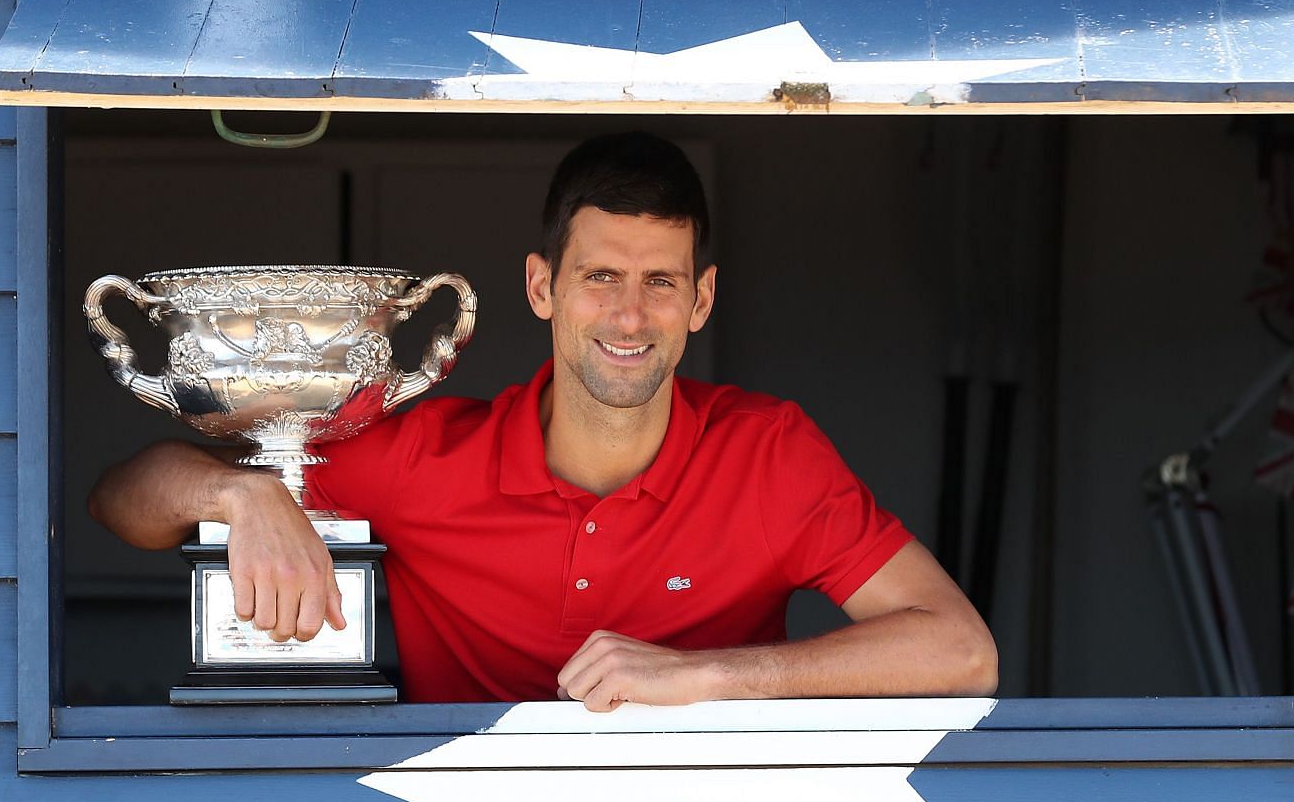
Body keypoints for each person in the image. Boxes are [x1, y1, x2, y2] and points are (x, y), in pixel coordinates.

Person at [89, 132, 997, 709]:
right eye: (601, 278)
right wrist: (243, 495)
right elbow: (125, 499)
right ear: (542, 287)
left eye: (661, 283)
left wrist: (712, 674)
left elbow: (961, 653)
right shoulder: (425, 460)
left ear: (702, 300)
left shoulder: (769, 456)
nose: (630, 316)